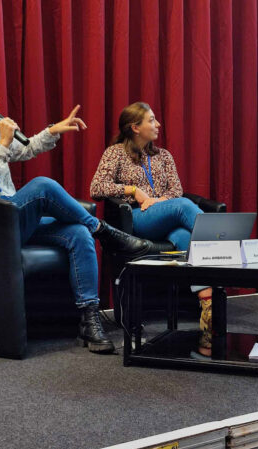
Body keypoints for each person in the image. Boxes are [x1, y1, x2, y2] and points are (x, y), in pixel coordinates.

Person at [0, 66, 151, 354]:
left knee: (77, 233)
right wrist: (2, 145)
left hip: (14, 220)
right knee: (43, 185)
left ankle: (89, 318)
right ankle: (104, 230)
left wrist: (52, 130)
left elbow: (26, 149)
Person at [90, 102, 213, 356]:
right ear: (135, 127)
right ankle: (222, 247)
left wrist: (159, 202)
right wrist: (133, 190)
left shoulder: (163, 156)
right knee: (183, 206)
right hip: (137, 217)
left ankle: (208, 305)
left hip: (163, 214)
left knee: (183, 235)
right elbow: (97, 187)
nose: (158, 124)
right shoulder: (115, 153)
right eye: (151, 120)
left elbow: (176, 189)